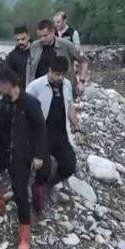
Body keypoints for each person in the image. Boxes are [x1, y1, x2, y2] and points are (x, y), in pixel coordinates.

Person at [0, 63, 47, 249]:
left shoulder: (30, 103)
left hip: (21, 155)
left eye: (0, 85)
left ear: (10, 84)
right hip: (1, 151)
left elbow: (41, 130)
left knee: (19, 194)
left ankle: (25, 238)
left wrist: (39, 155)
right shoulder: (6, 101)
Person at [28, 55, 80, 213]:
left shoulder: (67, 85)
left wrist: (77, 128)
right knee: (43, 169)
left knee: (70, 165)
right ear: (49, 70)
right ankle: (38, 201)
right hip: (42, 135)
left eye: (62, 74)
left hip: (61, 134)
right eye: (56, 74)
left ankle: (48, 186)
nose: (60, 77)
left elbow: (70, 108)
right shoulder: (35, 86)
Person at [53, 11, 88, 96]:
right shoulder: (53, 33)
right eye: (54, 22)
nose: (56, 24)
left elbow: (78, 51)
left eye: (58, 22)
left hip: (70, 65)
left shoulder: (72, 33)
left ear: (65, 21)